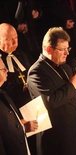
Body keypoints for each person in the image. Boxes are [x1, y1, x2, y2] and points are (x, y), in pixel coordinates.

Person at [27, 27, 76, 155]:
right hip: (57, 140)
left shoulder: (66, 67)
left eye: (68, 49)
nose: (67, 53)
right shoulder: (37, 72)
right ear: (48, 49)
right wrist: (72, 85)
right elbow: (50, 102)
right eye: (62, 49)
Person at [0, 23, 37, 154]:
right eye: (10, 39)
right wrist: (20, 89)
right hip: (13, 112)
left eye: (16, 37)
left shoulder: (23, 55)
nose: (16, 41)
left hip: (32, 106)